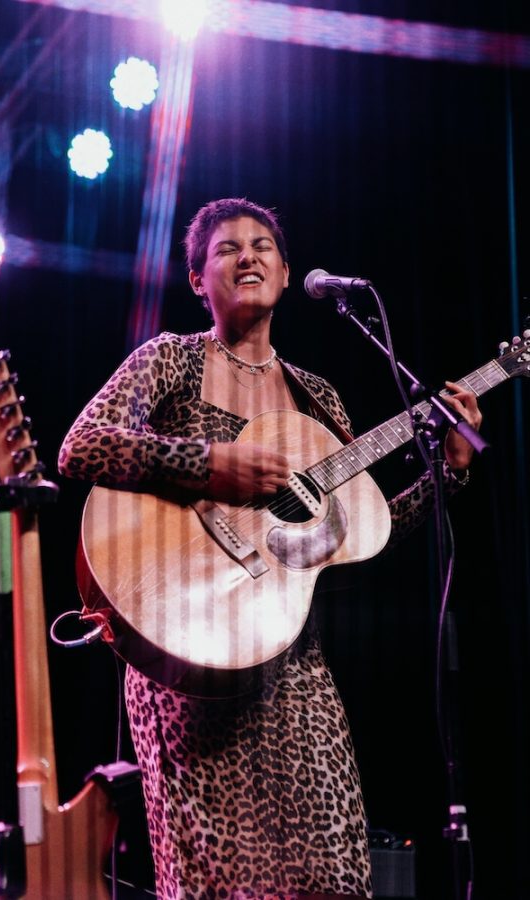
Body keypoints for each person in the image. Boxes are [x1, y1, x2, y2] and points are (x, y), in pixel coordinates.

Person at [58, 197, 482, 899]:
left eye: (262, 246)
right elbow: (83, 447)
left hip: (290, 662)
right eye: (226, 248)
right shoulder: (169, 360)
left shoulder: (318, 400)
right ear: (197, 280)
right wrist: (210, 464)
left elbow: (357, 536)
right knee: (217, 883)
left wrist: (449, 474)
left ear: (286, 273)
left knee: (332, 878)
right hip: (185, 652)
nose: (247, 256)